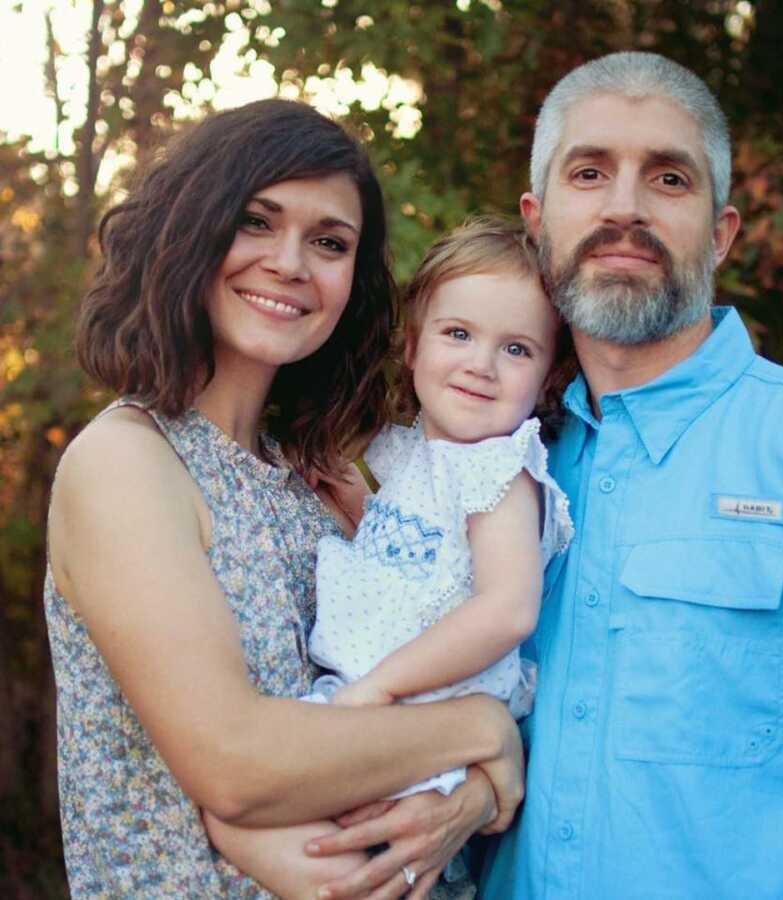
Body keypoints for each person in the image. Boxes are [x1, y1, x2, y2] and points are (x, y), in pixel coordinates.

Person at [44, 98, 524, 900]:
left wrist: (473, 794)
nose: (291, 264)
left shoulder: (309, 482)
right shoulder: (128, 463)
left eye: (329, 243)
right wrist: (485, 733)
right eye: (257, 222)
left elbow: (437, 677)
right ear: (190, 230)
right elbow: (235, 766)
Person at [480, 51, 783, 899]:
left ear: (720, 232)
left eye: (669, 178)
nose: (625, 208)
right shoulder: (503, 467)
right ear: (538, 221)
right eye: (590, 172)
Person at [203, 218, 574, 897]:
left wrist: (382, 688)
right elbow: (422, 563)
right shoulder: (415, 458)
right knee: (236, 816)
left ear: (548, 376)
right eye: (457, 334)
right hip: (368, 708)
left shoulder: (500, 471)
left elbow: (507, 608)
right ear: (413, 345)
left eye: (516, 349)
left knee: (258, 819)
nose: (479, 364)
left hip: (421, 718)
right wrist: (357, 508)